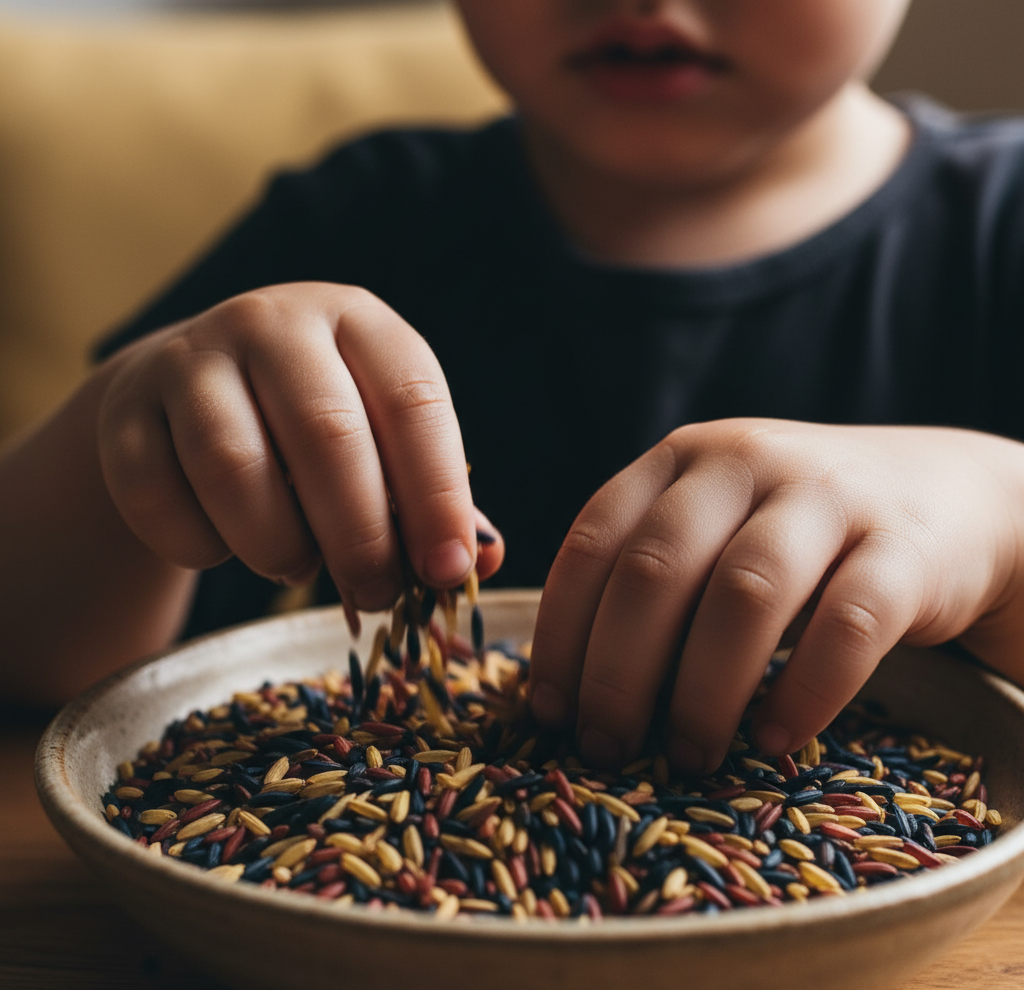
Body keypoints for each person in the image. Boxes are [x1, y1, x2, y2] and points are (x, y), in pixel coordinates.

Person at [1, 0, 1022, 778]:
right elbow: (36, 662)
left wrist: (998, 516)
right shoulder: (358, 218)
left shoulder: (999, 231)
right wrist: (124, 423)